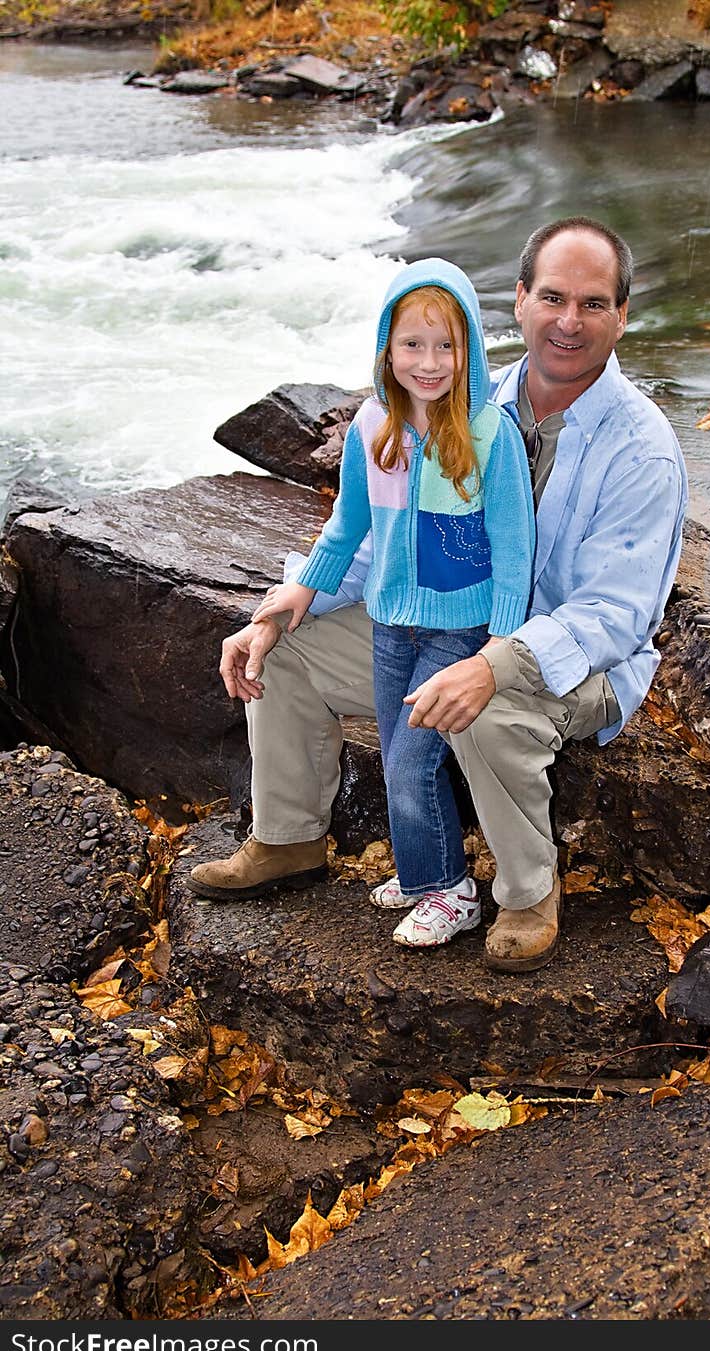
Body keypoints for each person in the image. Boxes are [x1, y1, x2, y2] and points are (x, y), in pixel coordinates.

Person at [187, 217, 689, 975]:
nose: (568, 321)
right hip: (445, 623)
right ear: (519, 300)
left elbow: (615, 616)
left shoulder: (642, 450)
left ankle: (526, 891)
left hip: (578, 660)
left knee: (481, 707)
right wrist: (287, 601)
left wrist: (497, 661)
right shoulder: (455, 398)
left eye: (592, 303)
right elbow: (387, 536)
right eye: (552, 297)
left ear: (623, 313)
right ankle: (288, 837)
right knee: (282, 651)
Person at [201, 258, 535, 949]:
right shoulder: (372, 427)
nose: (430, 361)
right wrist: (299, 594)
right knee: (394, 754)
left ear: (472, 348)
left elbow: (514, 548)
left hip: (459, 628)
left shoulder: (489, 434)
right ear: (387, 347)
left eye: (448, 345)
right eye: (412, 344)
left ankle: (449, 890)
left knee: (414, 761)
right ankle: (420, 875)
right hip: (389, 624)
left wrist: (502, 643)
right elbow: (348, 527)